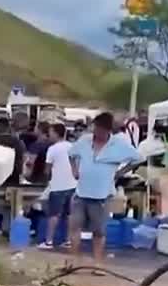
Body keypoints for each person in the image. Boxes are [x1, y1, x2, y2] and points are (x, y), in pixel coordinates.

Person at [68, 112, 143, 265]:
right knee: (74, 227)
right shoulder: (84, 141)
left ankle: (97, 263)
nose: (98, 133)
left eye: (102, 130)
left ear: (108, 130)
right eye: (96, 128)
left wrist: (120, 172)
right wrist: (74, 170)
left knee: (99, 232)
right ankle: (74, 261)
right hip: (81, 193)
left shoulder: (119, 145)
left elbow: (139, 158)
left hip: (102, 195)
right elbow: (71, 154)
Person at [37, 123, 76, 250]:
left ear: (56, 133)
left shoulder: (52, 149)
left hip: (57, 186)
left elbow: (47, 170)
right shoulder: (72, 147)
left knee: (54, 214)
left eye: (51, 132)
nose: (49, 135)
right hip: (72, 185)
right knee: (69, 214)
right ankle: (68, 240)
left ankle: (49, 241)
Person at [0, 116, 27, 185]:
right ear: (8, 127)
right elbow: (21, 158)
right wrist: (20, 173)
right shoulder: (17, 141)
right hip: (13, 174)